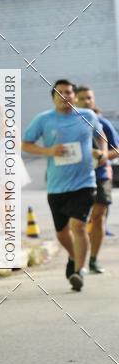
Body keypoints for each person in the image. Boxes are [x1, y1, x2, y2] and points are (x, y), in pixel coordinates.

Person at [22, 79, 106, 291]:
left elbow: (100, 135)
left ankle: (79, 271)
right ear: (53, 98)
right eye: (60, 93)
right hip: (57, 185)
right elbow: (25, 144)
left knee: (78, 226)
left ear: (74, 96)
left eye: (68, 92)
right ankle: (73, 255)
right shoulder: (43, 120)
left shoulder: (87, 116)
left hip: (85, 182)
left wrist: (103, 152)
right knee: (61, 233)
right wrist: (48, 151)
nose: (65, 96)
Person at [75, 85, 119, 273]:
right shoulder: (70, 124)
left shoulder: (102, 123)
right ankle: (78, 260)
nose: (87, 101)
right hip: (76, 177)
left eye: (89, 98)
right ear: (75, 100)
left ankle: (93, 259)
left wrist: (100, 157)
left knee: (99, 216)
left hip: (101, 175)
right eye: (83, 98)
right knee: (79, 221)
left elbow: (116, 149)